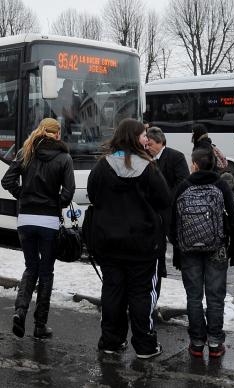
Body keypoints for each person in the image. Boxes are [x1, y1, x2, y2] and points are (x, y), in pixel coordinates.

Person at [85, 118, 172, 359]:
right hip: (143, 245)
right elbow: (164, 200)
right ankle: (145, 346)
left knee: (112, 292)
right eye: (144, 135)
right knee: (142, 294)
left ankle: (111, 341)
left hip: (109, 243)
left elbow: (93, 194)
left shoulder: (103, 166)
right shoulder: (149, 167)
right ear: (134, 138)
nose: (147, 139)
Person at [1, 118, 76, 340]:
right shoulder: (64, 158)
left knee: (30, 268)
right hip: (48, 222)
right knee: (46, 272)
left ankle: (19, 312)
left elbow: (7, 181)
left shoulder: (26, 152)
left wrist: (23, 196)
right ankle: (40, 325)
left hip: (25, 219)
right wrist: (55, 203)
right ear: (57, 134)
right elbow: (68, 192)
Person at [170, 148, 234, 358]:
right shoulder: (221, 185)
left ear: (194, 165)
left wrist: (178, 248)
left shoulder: (184, 186)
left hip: (188, 251)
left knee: (194, 297)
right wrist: (233, 250)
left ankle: (197, 343)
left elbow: (172, 223)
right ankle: (215, 344)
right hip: (216, 249)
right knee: (215, 297)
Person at [145, 126, 189, 313]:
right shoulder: (145, 158)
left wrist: (166, 197)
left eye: (151, 144)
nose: (148, 147)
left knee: (174, 244)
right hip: (150, 213)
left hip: (169, 211)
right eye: (147, 144)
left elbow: (182, 181)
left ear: (161, 142)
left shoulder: (175, 157)